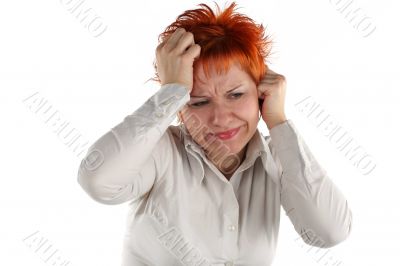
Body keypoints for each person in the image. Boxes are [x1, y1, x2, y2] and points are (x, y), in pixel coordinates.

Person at [77, 2, 353, 265]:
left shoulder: (278, 159)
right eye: (198, 101)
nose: (220, 118)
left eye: (236, 94)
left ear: (261, 93)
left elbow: (330, 232)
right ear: (179, 106)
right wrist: (171, 91)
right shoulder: (159, 153)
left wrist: (278, 122)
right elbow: (98, 181)